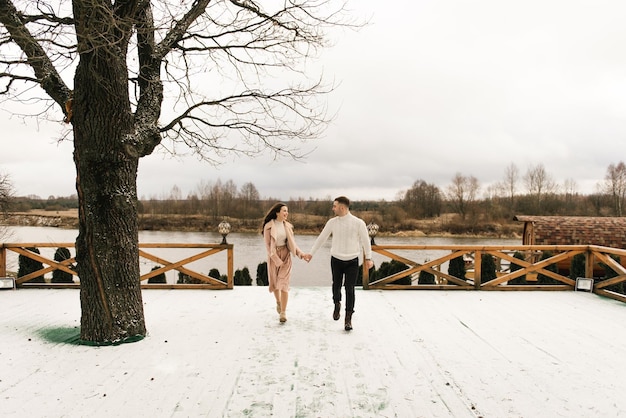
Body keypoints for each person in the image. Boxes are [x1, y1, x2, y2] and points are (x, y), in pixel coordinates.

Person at [303, 196, 374, 331]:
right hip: (336, 259)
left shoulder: (359, 223)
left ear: (342, 207)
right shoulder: (332, 222)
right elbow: (322, 238)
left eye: (334, 206)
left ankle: (348, 319)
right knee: (336, 285)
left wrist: (369, 258)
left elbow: (366, 241)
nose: (333, 208)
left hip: (352, 260)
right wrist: (311, 253)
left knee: (350, 288)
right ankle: (337, 303)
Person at [262, 202, 305, 323]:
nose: (286, 213)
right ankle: (278, 302)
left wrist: (301, 254)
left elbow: (293, 244)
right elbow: (268, 246)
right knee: (276, 284)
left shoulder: (288, 227)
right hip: (274, 256)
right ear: (277, 213)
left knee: (284, 284)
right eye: (284, 211)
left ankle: (283, 313)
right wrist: (276, 260)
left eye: (287, 211)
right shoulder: (268, 226)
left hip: (286, 256)